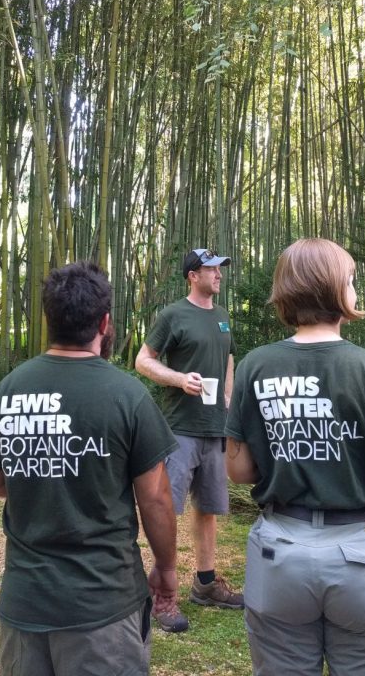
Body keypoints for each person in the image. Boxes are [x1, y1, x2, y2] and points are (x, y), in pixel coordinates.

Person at [225, 238, 365, 676]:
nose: (355, 289)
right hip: (360, 557)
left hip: (280, 552)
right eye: (352, 280)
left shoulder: (255, 366)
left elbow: (238, 471)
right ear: (338, 289)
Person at [0, 261, 179, 676]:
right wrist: (167, 567)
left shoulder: (10, 389)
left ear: (49, 319)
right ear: (104, 322)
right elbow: (154, 497)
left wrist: (47, 473)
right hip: (101, 603)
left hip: (25, 599)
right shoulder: (127, 395)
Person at [135, 247, 243, 633]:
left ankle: (206, 582)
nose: (219, 275)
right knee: (167, 509)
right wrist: (179, 379)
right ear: (193, 275)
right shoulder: (172, 315)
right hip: (178, 426)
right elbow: (143, 361)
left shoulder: (224, 317)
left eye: (220, 269)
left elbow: (228, 360)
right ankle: (161, 594)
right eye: (212, 269)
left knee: (209, 508)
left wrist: (229, 402)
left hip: (215, 426)